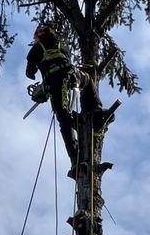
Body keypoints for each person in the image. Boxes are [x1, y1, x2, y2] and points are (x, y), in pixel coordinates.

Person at [26, 24, 103, 177]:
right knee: (88, 81)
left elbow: (30, 73)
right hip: (73, 76)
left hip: (55, 83)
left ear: (39, 35)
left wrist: (39, 87)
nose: (34, 38)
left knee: (63, 118)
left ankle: (75, 158)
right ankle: (97, 108)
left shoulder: (35, 49)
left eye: (35, 36)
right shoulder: (63, 45)